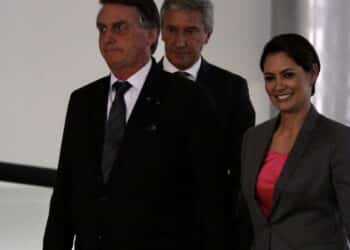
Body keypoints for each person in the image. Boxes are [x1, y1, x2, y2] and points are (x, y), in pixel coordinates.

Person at [43, 0, 234, 250]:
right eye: (102, 29)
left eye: (120, 27)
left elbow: (212, 198)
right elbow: (65, 195)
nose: (108, 37)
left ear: (151, 34)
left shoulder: (188, 98)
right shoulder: (83, 101)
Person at [240, 33, 350, 250]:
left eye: (288, 75)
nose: (278, 86)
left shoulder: (339, 139)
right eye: (270, 78)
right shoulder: (253, 138)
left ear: (313, 73)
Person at [159, 0, 255, 211]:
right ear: (161, 32)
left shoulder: (232, 89)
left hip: (210, 226)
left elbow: (243, 167)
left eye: (190, 31)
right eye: (172, 30)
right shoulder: (138, 86)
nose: (180, 42)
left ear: (208, 35)